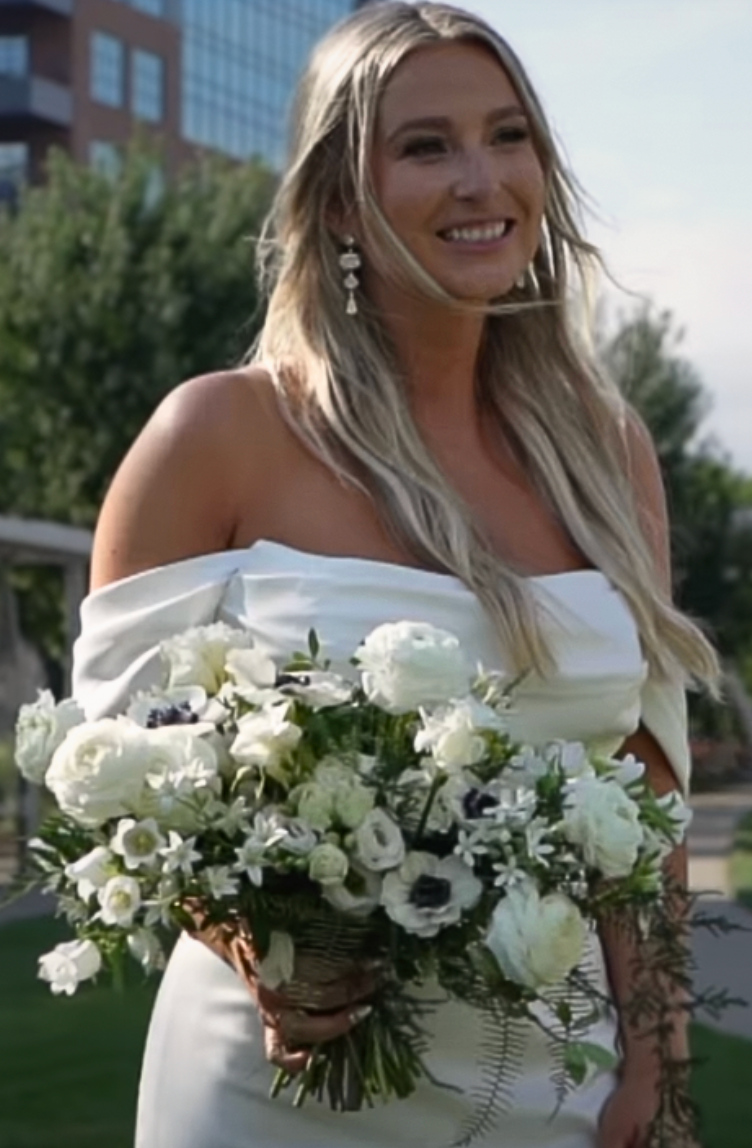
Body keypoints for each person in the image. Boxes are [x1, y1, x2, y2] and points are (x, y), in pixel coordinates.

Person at [72, 3, 717, 1146]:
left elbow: (642, 784)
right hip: (270, 1084)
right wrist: (257, 946)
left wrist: (656, 1060)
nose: (480, 179)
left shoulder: (604, 450)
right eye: (425, 146)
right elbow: (117, 776)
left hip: (552, 1084)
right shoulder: (214, 435)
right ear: (335, 200)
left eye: (507, 135)